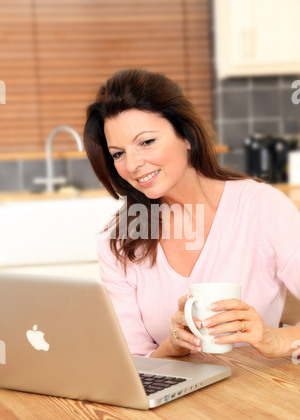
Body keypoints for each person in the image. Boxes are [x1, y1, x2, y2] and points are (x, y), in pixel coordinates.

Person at [84, 68, 300, 360]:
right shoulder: (120, 240)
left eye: (146, 142)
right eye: (118, 153)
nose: (133, 164)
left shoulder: (262, 207)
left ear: (186, 135)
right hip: (172, 402)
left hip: (255, 395)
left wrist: (276, 339)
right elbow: (133, 362)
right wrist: (171, 347)